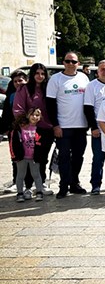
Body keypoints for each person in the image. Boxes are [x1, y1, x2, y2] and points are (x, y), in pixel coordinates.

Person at [46, 52, 90, 199]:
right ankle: (63, 185)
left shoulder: (84, 78)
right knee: (64, 157)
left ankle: (74, 182)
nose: (71, 64)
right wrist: (55, 125)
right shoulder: (55, 79)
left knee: (78, 157)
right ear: (63, 63)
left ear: (78, 63)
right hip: (63, 127)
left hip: (81, 126)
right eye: (68, 61)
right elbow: (50, 105)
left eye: (74, 61)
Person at [13, 63, 53, 196]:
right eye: (37, 73)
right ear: (32, 74)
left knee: (42, 158)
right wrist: (24, 124)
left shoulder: (49, 88)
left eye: (42, 73)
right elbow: (18, 108)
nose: (40, 76)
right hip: (29, 130)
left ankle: (41, 184)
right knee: (29, 157)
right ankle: (28, 186)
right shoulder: (24, 89)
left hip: (46, 129)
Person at [84, 59, 105, 194]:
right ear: (97, 72)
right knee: (98, 158)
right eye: (103, 69)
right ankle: (95, 184)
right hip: (99, 130)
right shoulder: (92, 86)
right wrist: (94, 128)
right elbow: (88, 108)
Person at [9, 108, 45, 202]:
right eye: (32, 114)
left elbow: (42, 145)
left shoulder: (40, 130)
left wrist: (41, 156)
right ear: (28, 116)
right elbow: (13, 143)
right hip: (22, 157)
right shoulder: (20, 128)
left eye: (37, 115)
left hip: (34, 157)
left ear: (40, 118)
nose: (34, 117)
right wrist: (14, 156)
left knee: (36, 175)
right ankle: (20, 193)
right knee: (20, 175)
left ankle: (39, 192)